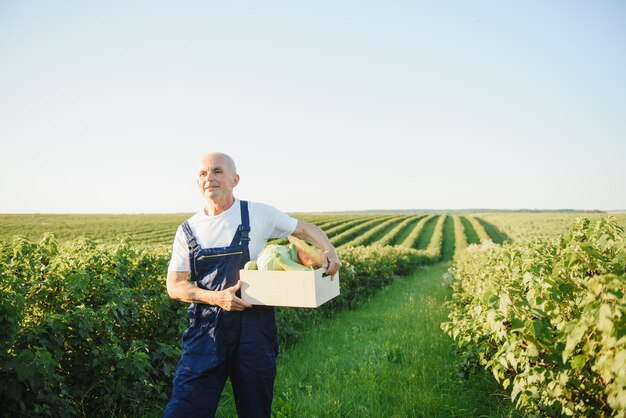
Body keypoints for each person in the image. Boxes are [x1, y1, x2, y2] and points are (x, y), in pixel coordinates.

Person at [163, 152, 341, 418]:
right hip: (206, 332)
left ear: (235, 179)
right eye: (203, 173)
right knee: (185, 408)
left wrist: (329, 251)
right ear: (197, 182)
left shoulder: (257, 214)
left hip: (254, 332)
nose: (209, 178)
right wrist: (216, 298)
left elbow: (302, 229)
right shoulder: (188, 229)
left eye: (217, 171)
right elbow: (175, 286)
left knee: (255, 410)